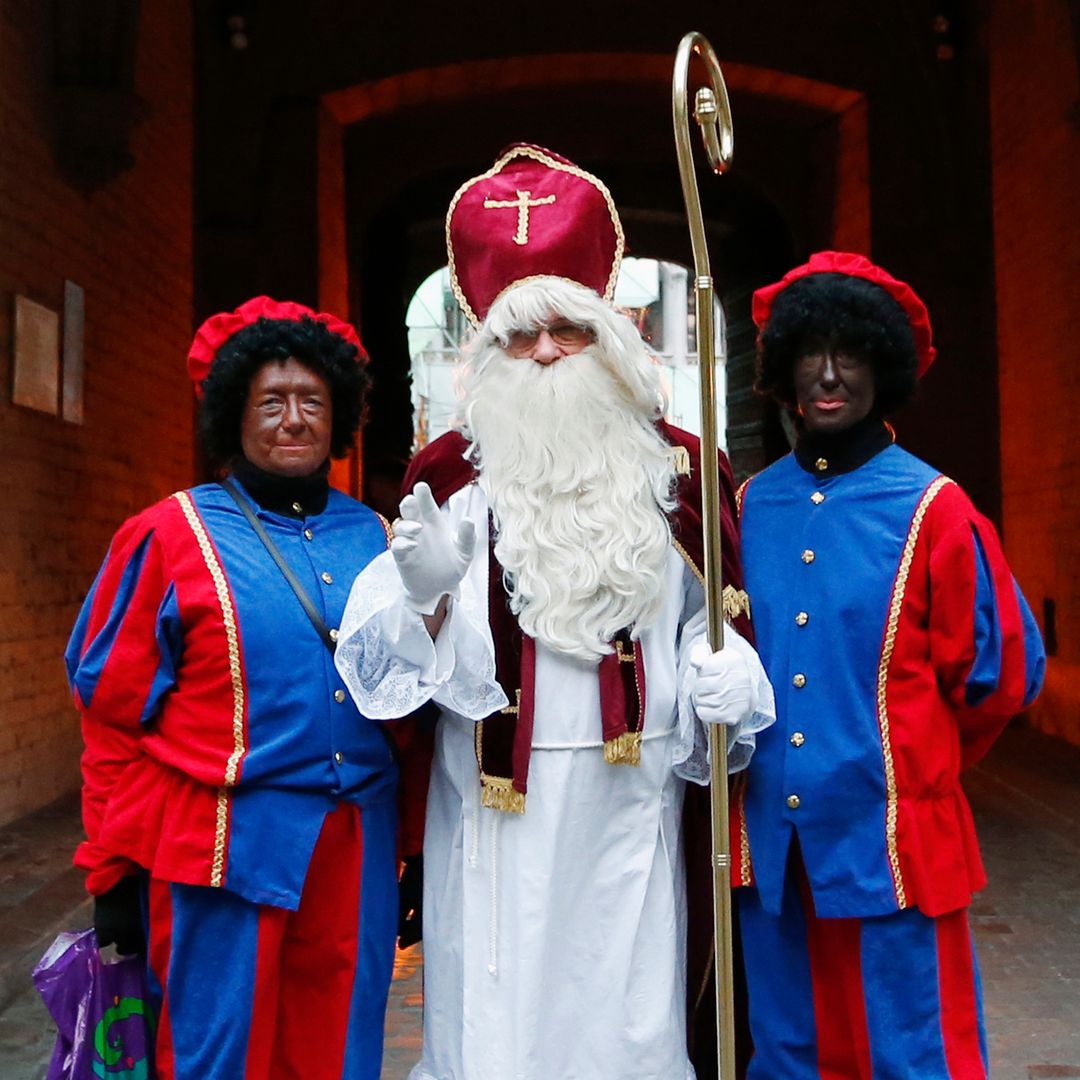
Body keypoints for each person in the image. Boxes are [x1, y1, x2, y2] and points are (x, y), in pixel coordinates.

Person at [335, 143, 775, 1080]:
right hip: (496, 804)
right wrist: (420, 597)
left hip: (634, 796)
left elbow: (724, 614)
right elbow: (388, 672)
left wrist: (737, 672)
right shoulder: (449, 474)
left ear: (608, 334)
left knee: (624, 1012)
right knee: (500, 1013)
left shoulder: (684, 469)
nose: (541, 353)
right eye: (515, 335)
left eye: (564, 331)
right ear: (485, 353)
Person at [66, 297, 404, 1079]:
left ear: (339, 415)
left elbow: (405, 709)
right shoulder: (166, 534)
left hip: (355, 843)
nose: (293, 420)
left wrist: (413, 840)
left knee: (342, 1049)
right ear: (233, 416)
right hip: (219, 845)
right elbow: (112, 717)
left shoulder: (378, 536)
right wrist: (111, 870)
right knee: (215, 1052)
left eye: (312, 402)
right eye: (271, 402)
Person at [733, 251, 1046, 1078]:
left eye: (852, 354)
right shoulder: (747, 506)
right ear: (784, 368)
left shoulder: (936, 509)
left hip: (895, 842)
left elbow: (998, 680)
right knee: (788, 1052)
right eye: (811, 354)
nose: (829, 375)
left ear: (885, 365)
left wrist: (914, 769)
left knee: (913, 1054)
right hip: (772, 848)